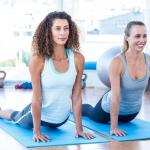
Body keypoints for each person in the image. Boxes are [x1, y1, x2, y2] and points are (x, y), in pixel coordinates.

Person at [0, 11, 95, 142]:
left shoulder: (78, 58)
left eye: (66, 28)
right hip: (39, 115)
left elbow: (77, 95)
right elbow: (37, 98)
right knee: (16, 116)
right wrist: (37, 131)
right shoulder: (38, 59)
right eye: (57, 28)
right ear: (48, 31)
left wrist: (79, 129)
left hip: (61, 119)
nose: (62, 33)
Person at [82, 21, 149, 136]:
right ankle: (73, 107)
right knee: (89, 111)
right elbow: (115, 96)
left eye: (145, 36)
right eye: (137, 36)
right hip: (107, 111)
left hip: (131, 114)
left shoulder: (148, 60)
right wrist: (114, 127)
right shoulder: (117, 62)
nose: (142, 40)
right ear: (127, 38)